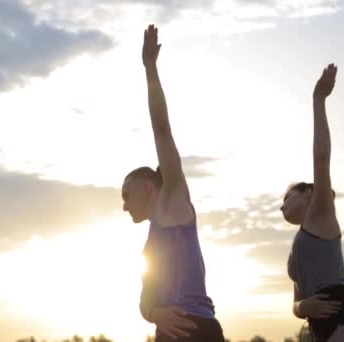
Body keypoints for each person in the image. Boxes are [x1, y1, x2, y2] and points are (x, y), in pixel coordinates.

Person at [121, 25, 225, 342]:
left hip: (195, 330)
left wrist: (150, 68)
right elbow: (144, 301)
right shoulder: (153, 237)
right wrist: (153, 314)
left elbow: (162, 130)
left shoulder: (173, 203)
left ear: (148, 187)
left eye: (127, 195)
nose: (124, 205)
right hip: (172, 333)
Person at [280, 64, 344, 342]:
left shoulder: (320, 216)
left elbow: (321, 160)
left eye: (288, 196)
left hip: (339, 309)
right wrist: (302, 308)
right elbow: (297, 301)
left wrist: (318, 100)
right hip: (319, 322)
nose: (282, 205)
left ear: (310, 194)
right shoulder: (297, 248)